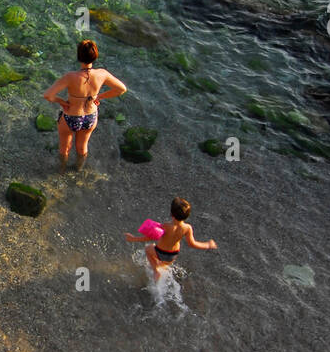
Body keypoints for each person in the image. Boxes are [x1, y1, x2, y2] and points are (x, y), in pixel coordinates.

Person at [42, 39, 127, 170]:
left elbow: (48, 95)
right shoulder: (102, 74)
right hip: (90, 117)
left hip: (71, 116)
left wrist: (62, 102)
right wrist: (100, 96)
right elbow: (121, 89)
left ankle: (61, 171)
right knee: (82, 147)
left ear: (79, 56)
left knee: (65, 148)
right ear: (95, 56)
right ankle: (79, 169)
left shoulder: (70, 77)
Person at [125, 197, 218, 278]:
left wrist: (133, 238)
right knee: (163, 265)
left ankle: (156, 271)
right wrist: (207, 245)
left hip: (159, 251)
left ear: (171, 214)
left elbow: (151, 237)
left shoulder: (165, 226)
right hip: (173, 255)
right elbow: (192, 244)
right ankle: (161, 271)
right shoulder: (187, 228)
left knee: (148, 249)